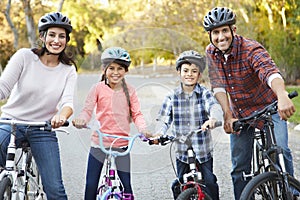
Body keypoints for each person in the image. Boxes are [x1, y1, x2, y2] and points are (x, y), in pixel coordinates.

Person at [203, 7, 297, 200]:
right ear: (211, 35)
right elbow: (218, 85)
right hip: (241, 114)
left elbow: (270, 72)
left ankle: (292, 193)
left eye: (224, 31)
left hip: (269, 108)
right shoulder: (211, 52)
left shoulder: (251, 49)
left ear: (233, 30)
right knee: (239, 167)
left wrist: (282, 95)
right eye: (216, 32)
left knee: (281, 149)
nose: (221, 37)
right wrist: (227, 114)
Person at [0, 12, 77, 200]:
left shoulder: (68, 70)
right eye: (52, 35)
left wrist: (61, 116)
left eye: (62, 36)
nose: (56, 40)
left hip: (42, 128)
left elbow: (68, 103)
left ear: (66, 40)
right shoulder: (25, 57)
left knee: (55, 191)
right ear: (43, 37)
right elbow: (3, 88)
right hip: (11, 123)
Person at [72, 47, 150, 200]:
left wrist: (143, 129)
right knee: (91, 185)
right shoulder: (97, 89)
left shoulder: (130, 91)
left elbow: (137, 114)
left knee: (127, 188)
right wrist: (82, 119)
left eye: (120, 68)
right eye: (111, 68)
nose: (116, 72)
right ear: (103, 69)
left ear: (126, 71)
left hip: (121, 144)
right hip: (99, 143)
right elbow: (87, 110)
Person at [155, 50, 223, 200]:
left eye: (194, 71)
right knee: (178, 184)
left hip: (202, 150)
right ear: (179, 72)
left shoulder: (204, 94)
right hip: (182, 151)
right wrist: (160, 133)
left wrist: (213, 119)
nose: (189, 74)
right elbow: (164, 119)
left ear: (199, 75)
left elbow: (214, 107)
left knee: (210, 182)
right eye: (185, 70)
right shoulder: (172, 97)